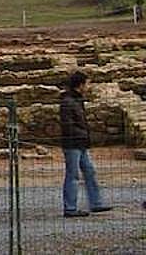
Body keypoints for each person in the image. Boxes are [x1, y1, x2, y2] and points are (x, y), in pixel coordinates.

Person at [60, 71, 112, 217]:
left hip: (80, 143)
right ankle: (70, 208)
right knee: (73, 175)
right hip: (73, 144)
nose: (89, 87)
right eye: (87, 84)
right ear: (80, 85)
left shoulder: (76, 100)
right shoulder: (68, 102)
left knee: (89, 171)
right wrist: (83, 134)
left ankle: (96, 203)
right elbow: (68, 125)